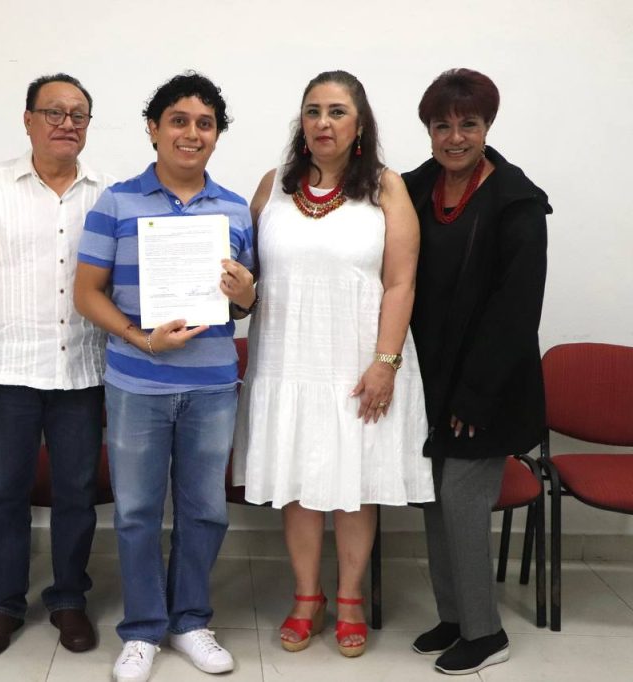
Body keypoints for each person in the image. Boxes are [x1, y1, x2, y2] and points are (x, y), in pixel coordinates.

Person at [231, 70, 433, 658]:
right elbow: (252, 280)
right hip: (287, 362)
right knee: (297, 483)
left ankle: (348, 600)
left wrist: (386, 362)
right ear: (301, 123)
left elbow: (401, 283)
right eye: (313, 111)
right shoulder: (273, 186)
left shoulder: (387, 188)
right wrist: (238, 289)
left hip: (358, 364)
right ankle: (306, 598)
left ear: (360, 124)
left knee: (353, 486)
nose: (324, 122)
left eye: (338, 111)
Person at [75, 72, 255, 682]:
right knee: (136, 512)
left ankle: (190, 621)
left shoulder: (234, 209)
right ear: (154, 129)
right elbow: (87, 293)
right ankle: (143, 629)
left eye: (205, 123)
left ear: (217, 135)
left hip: (211, 385)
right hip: (137, 383)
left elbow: (244, 301)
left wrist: (246, 293)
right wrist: (139, 337)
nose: (192, 133)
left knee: (205, 511)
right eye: (179, 120)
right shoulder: (116, 202)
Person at [0, 73, 114, 657]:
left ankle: (68, 599)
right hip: (9, 375)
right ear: (28, 120)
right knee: (4, 496)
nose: (67, 123)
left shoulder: (106, 194)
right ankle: (5, 605)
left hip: (82, 373)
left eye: (78, 115)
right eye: (54, 112)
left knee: (76, 494)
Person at [403, 68, 551, 675]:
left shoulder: (517, 201)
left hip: (486, 386)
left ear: (488, 126)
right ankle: (456, 616)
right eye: (442, 126)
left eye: (468, 124)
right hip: (430, 380)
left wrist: (477, 393)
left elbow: (518, 307)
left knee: (463, 503)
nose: (455, 137)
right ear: (429, 131)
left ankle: (486, 633)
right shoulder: (415, 188)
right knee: (436, 502)